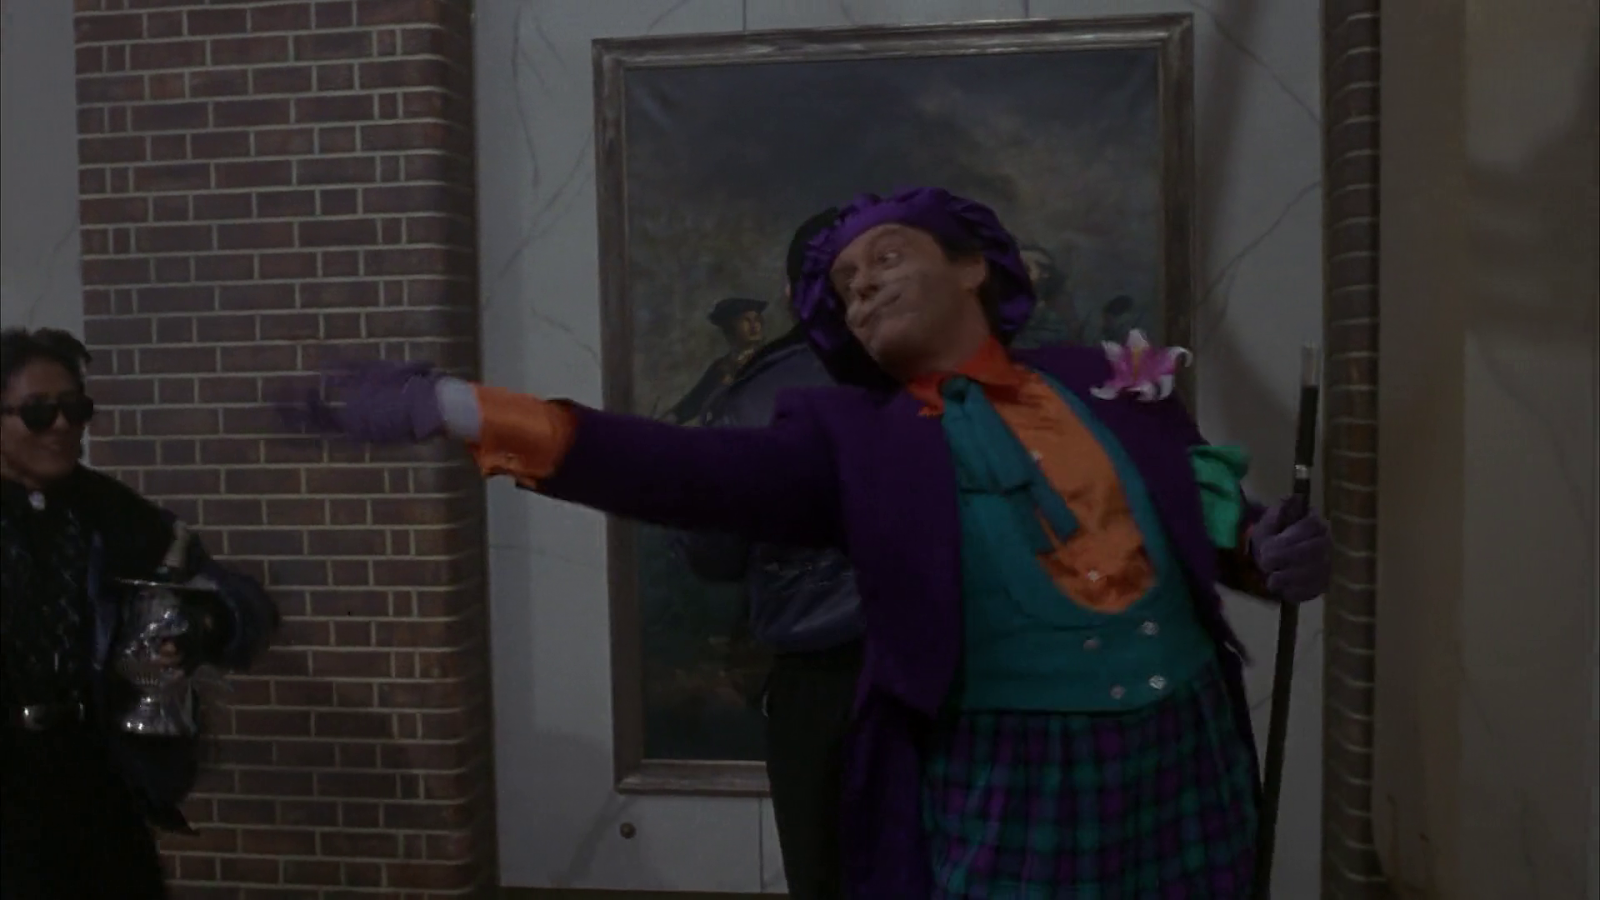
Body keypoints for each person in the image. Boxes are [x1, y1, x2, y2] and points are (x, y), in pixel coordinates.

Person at [282, 187, 1332, 898]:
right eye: (844, 285)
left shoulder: (1106, 378)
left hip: (1190, 742)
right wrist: (459, 407)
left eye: (888, 257)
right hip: (1014, 770)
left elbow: (1201, 517)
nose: (862, 284)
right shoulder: (850, 438)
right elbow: (675, 468)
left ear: (973, 267)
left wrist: (1264, 552)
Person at [1, 327, 279, 899]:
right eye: (38, 413)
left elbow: (243, 603)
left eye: (76, 409)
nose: (62, 426)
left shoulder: (108, 511)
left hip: (92, 774)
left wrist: (203, 626)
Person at [674, 207, 862, 900]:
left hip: (821, 672)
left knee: (825, 868)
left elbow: (713, 552)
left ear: (790, 294)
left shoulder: (758, 394)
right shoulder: (961, 375)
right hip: (963, 661)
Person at [664, 296, 769, 425]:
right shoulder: (720, 368)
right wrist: (662, 423)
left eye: (757, 320)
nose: (754, 326)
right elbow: (691, 404)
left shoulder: (768, 360)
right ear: (730, 327)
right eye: (746, 320)